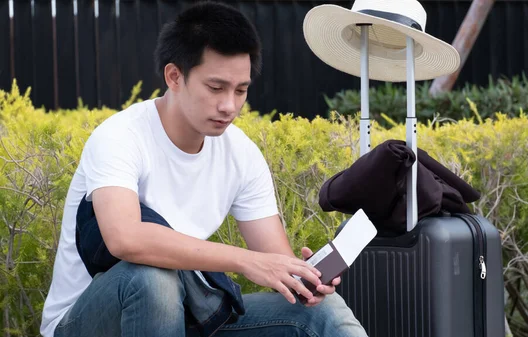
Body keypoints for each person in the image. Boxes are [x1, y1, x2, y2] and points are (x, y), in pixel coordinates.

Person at [40, 2, 368, 337]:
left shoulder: (240, 154)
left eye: (240, 90)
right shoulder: (120, 137)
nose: (229, 106)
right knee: (153, 280)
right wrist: (246, 261)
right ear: (174, 76)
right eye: (216, 88)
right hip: (88, 322)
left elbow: (272, 257)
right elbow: (126, 238)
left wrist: (301, 277)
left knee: (320, 313)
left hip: (189, 316)